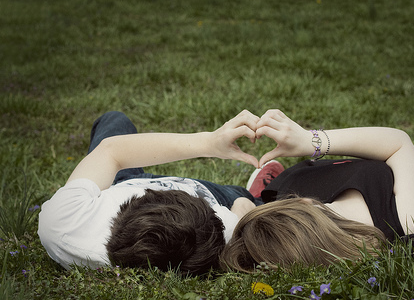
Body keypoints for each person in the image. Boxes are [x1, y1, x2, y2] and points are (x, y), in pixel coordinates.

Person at [38, 110, 274, 276]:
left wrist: (209, 142)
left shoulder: (62, 223)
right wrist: (246, 204)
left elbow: (111, 151)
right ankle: (261, 194)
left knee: (114, 120)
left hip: (115, 185)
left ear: (131, 206)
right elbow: (241, 208)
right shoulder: (220, 230)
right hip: (206, 203)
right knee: (240, 195)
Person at [220, 109, 414, 272]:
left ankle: (258, 198)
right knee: (245, 206)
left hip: (284, 190)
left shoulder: (288, 235)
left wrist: (244, 212)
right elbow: (399, 144)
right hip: (294, 192)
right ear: (304, 203)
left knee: (243, 204)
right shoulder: (409, 224)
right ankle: (256, 200)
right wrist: (311, 141)